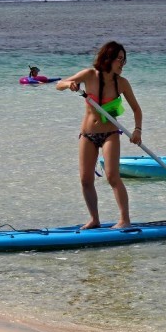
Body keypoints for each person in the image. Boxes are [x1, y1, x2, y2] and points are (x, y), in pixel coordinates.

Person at [56, 41, 143, 229]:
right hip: (87, 135)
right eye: (119, 59)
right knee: (85, 179)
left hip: (110, 134)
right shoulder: (89, 75)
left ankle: (125, 220)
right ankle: (94, 219)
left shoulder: (122, 83)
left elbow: (136, 109)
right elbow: (59, 85)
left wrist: (137, 130)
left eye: (124, 60)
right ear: (108, 58)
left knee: (112, 176)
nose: (122, 63)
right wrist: (69, 84)